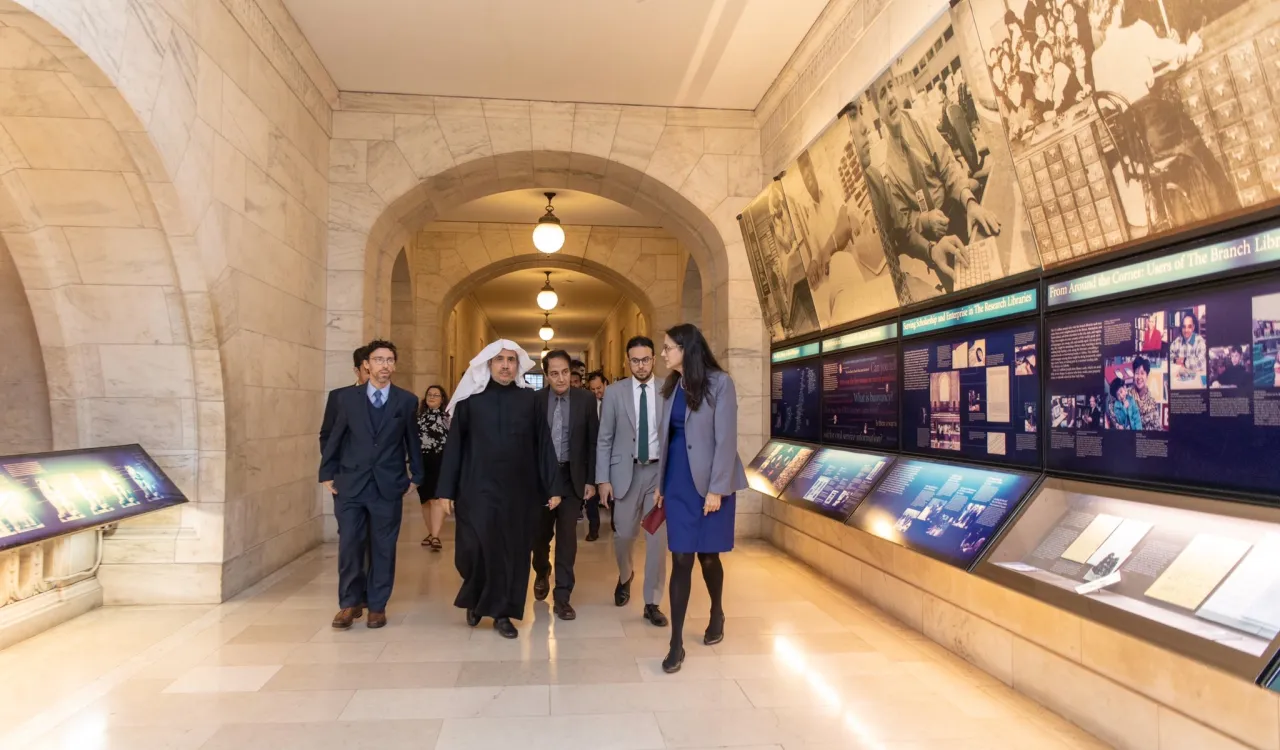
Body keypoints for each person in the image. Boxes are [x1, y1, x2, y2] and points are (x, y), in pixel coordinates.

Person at [437, 340, 563, 639]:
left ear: (518, 366)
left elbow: (544, 445)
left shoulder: (530, 400)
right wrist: (446, 491)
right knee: (473, 549)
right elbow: (454, 447)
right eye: (500, 360)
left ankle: (503, 613)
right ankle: (476, 597)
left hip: (520, 491)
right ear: (487, 365)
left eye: (511, 360)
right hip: (475, 489)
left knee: (512, 553)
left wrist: (553, 486)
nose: (506, 365)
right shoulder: (469, 401)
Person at [656, 324, 747, 674]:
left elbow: (726, 440)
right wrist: (661, 483)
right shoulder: (671, 387)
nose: (663, 354)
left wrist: (717, 489)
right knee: (681, 558)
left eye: (667, 348)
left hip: (711, 483)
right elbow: (667, 439)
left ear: (685, 349)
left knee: (708, 557)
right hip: (678, 483)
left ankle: (716, 611)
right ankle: (676, 643)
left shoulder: (720, 384)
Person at [319, 340, 423, 630]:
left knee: (384, 547)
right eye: (378, 360)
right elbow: (333, 437)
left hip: (387, 485)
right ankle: (349, 604)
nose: (384, 365)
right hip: (350, 484)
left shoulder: (406, 400)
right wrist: (327, 473)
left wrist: (416, 474)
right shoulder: (346, 399)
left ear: (395, 365)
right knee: (350, 545)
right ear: (367, 365)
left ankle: (377, 606)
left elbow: (411, 440)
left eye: (390, 360)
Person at [597, 336, 670, 628]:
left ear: (654, 359)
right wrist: (602, 479)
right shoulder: (614, 393)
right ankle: (625, 575)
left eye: (646, 359)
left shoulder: (669, 389)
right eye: (635, 360)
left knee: (656, 540)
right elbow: (604, 439)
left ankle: (652, 601)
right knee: (623, 535)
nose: (641, 365)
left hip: (658, 474)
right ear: (627, 362)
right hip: (624, 473)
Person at [531, 350, 598, 620]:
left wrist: (592, 479)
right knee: (539, 535)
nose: (560, 378)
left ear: (573, 373)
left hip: (572, 477)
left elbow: (593, 442)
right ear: (546, 375)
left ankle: (563, 595)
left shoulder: (585, 400)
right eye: (554, 373)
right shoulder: (535, 401)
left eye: (565, 372)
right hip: (541, 479)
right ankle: (541, 570)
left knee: (568, 537)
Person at [416, 385, 450, 551]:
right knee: (425, 500)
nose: (432, 397)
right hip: (422, 462)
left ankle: (436, 536)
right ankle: (431, 533)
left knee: (436, 499)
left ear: (442, 399)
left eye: (436, 395)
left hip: (441, 461)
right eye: (429, 394)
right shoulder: (418, 417)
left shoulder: (448, 418)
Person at [585, 371, 609, 538]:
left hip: (612, 455)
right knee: (591, 495)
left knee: (615, 493)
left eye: (599, 388)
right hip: (593, 455)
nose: (596, 392)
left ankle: (616, 524)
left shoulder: (615, 402)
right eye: (592, 389)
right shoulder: (587, 404)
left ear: (606, 384)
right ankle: (594, 529)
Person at [1170, 312, 1206, 388]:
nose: (1186, 330)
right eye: (1184, 327)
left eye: (1189, 327)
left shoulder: (1200, 341)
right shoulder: (1178, 340)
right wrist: (1176, 360)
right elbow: (1169, 355)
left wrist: (1184, 361)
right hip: (1179, 381)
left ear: (1193, 327)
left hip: (1195, 383)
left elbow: (1201, 363)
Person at [1131, 357, 1160, 430]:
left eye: (1142, 373)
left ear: (1147, 376)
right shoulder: (1126, 395)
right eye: (1136, 373)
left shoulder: (1152, 403)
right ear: (1133, 375)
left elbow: (1157, 428)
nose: (1139, 377)